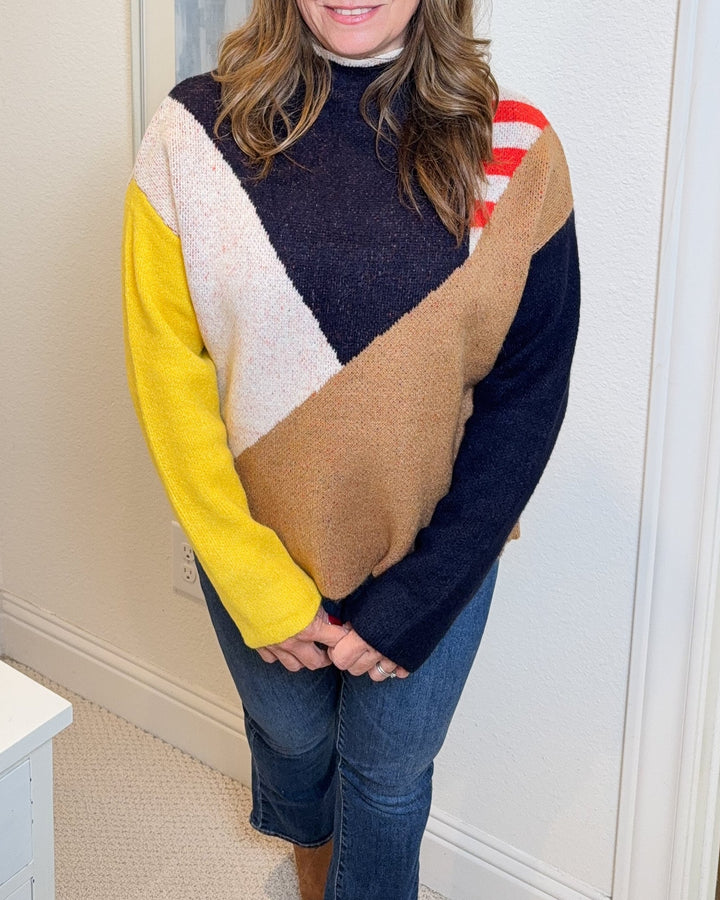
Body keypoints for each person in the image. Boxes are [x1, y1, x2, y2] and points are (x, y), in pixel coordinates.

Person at [122, 0, 580, 896]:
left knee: (390, 773)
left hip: (440, 551)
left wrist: (422, 593)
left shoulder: (518, 148)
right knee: (292, 744)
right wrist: (255, 582)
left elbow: (530, 392)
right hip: (254, 546)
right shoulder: (190, 132)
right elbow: (164, 376)